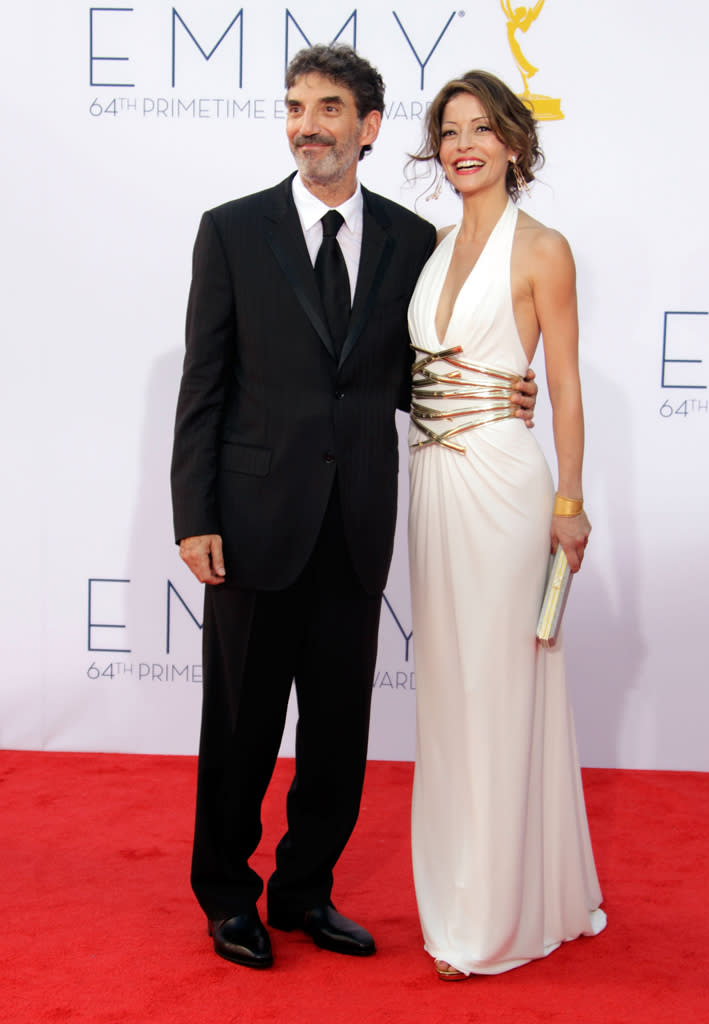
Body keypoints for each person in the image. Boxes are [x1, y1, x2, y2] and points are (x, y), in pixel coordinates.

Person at [171, 44, 539, 970]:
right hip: (252, 526)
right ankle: (228, 898)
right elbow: (203, 386)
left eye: (329, 108)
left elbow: (413, 373)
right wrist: (194, 514)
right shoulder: (231, 230)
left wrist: (495, 392)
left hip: (358, 523)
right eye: (296, 107)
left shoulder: (415, 244)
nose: (308, 124)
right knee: (241, 731)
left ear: (367, 128)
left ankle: (304, 894)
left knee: (337, 735)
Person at [407, 70, 606, 980]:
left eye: (480, 127)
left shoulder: (544, 249)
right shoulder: (433, 244)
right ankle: (469, 889)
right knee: (451, 696)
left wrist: (569, 502)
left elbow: (561, 386)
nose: (462, 145)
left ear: (514, 143)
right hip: (433, 485)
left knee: (499, 692)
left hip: (504, 486)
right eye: (448, 130)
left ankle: (490, 919)